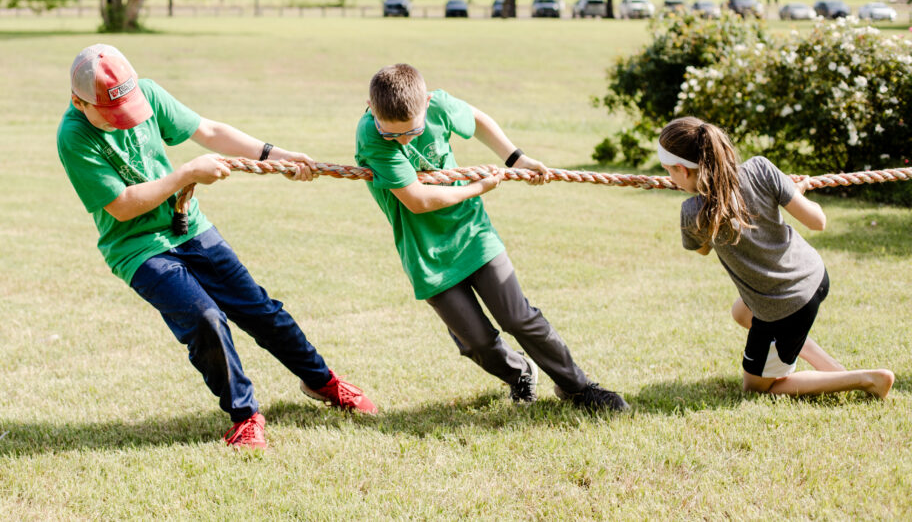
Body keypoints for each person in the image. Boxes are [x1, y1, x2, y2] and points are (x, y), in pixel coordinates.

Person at [57, 44, 377, 450]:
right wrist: (187, 172)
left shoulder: (148, 94)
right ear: (77, 101)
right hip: (137, 247)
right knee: (205, 318)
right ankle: (245, 416)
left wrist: (276, 155)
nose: (125, 124)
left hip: (188, 225)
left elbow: (207, 131)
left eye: (129, 112)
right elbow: (122, 207)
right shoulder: (73, 136)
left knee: (259, 309)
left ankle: (321, 382)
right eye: (112, 116)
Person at [355, 63, 629, 411]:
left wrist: (515, 159)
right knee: (476, 342)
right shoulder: (369, 135)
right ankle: (519, 373)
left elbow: (477, 119)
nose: (404, 140)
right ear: (371, 108)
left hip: (472, 232)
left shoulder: (439, 106)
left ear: (426, 102)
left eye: (413, 130)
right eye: (392, 134)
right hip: (425, 251)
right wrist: (478, 187)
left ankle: (578, 387)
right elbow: (418, 200)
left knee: (519, 317)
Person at [658, 116, 894, 399]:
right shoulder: (760, 168)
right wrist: (795, 192)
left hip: (785, 306)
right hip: (815, 275)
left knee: (757, 389)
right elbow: (818, 221)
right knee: (741, 312)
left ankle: (867, 380)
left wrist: (704, 215)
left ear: (682, 170)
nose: (669, 178)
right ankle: (832, 367)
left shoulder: (693, 212)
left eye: (668, 172)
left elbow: (702, 249)